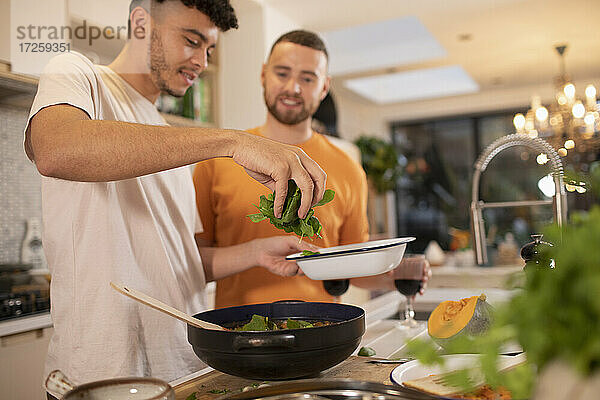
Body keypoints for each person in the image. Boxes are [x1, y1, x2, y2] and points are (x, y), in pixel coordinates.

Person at [25, 0, 328, 389]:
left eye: (209, 50)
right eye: (191, 40)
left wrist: (256, 253)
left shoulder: (165, 133)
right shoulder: (78, 74)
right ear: (140, 23)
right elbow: (56, 149)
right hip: (104, 378)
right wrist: (232, 140)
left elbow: (182, 264)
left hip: (183, 372)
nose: (201, 61)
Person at [193, 30, 430, 309]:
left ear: (324, 87)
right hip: (237, 335)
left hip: (324, 330)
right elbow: (194, 264)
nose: (293, 88)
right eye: (282, 73)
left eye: (307, 78)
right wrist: (254, 253)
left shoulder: (349, 169)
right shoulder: (219, 159)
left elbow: (351, 266)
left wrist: (391, 274)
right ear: (263, 74)